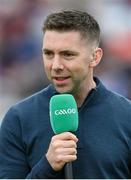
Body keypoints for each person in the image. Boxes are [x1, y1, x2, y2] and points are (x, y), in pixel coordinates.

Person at [0, 9, 131, 179]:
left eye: (67, 54)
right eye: (48, 54)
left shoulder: (127, 116)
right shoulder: (18, 118)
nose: (55, 65)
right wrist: (47, 166)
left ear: (95, 57)